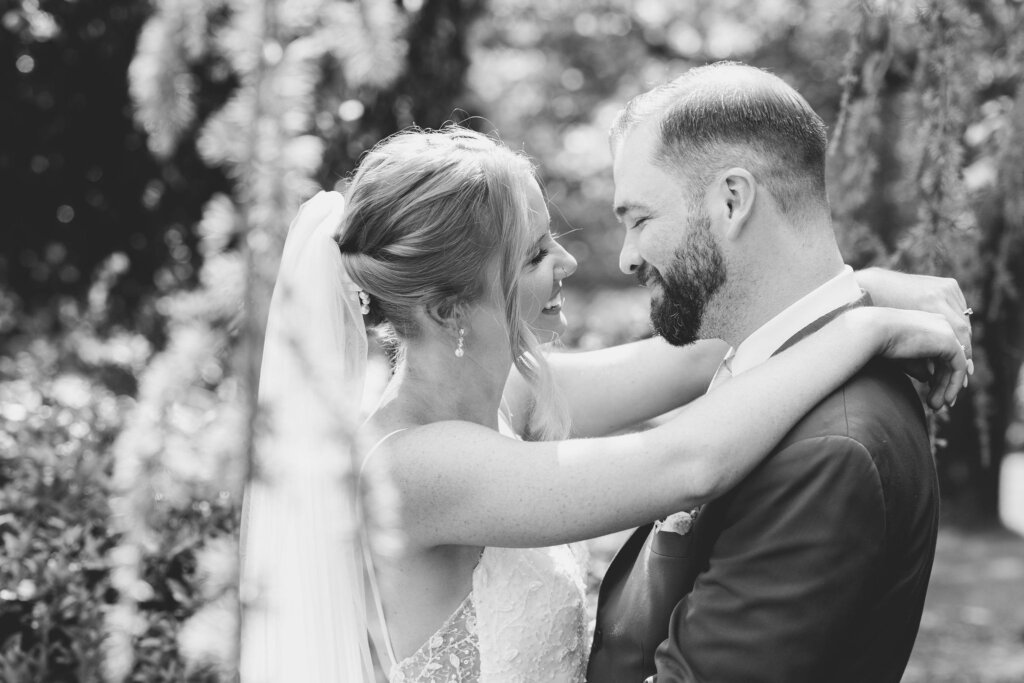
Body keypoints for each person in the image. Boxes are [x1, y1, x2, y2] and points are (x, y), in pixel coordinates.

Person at [238, 126, 969, 683]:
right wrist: (871, 327)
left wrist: (861, 287)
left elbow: (703, 350)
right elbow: (688, 461)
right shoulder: (414, 469)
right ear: (447, 307)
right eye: (531, 257)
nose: (569, 261)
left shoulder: (510, 394)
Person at [586, 62, 967, 683]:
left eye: (639, 219)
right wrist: (864, 299)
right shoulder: (764, 364)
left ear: (732, 200)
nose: (628, 255)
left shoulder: (832, 447)